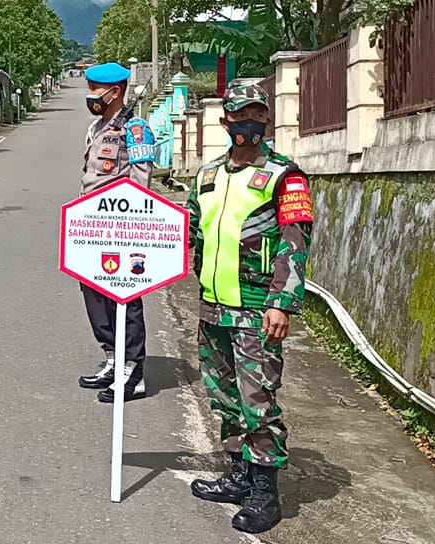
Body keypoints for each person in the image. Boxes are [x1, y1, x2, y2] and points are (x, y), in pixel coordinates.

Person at [186, 82, 312, 534]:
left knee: (258, 400)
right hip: (212, 305)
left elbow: (294, 243)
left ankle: (264, 492)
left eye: (258, 114)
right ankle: (238, 475)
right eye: (242, 114)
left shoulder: (284, 175)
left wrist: (282, 303)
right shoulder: (207, 176)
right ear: (226, 122)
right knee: (224, 396)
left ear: (266, 121)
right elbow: (189, 231)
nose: (250, 123)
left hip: (257, 307)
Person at [77, 62, 155, 403]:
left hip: (121, 227)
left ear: (115, 91)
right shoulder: (97, 127)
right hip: (91, 225)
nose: (91, 95)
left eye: (96, 90)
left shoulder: (135, 129)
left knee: (123, 294)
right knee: (93, 288)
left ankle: (133, 369)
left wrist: (136, 227)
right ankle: (113, 357)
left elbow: (142, 178)